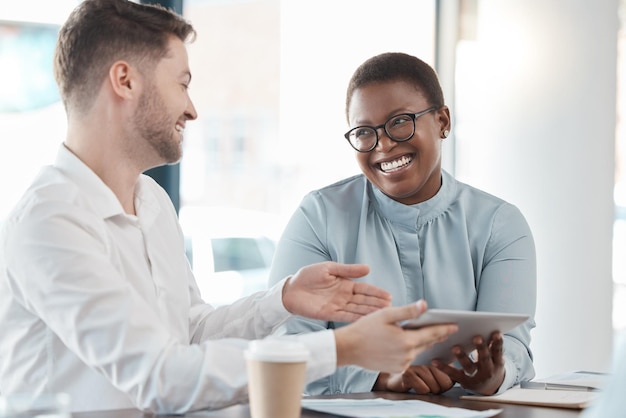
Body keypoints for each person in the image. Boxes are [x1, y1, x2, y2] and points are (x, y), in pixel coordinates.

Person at [0, 2, 459, 414]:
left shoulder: (151, 201)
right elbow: (162, 377)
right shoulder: (51, 220)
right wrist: (342, 349)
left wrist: (281, 300)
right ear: (124, 81)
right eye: (182, 83)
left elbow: (190, 334)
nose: (192, 109)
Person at [268, 52, 537, 397]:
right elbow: (286, 352)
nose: (383, 145)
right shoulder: (319, 217)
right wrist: (381, 378)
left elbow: (513, 343)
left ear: (442, 121)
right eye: (365, 132)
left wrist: (495, 375)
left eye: (400, 122)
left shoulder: (499, 223)